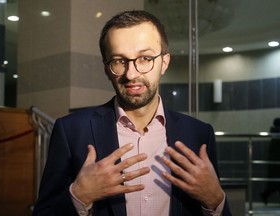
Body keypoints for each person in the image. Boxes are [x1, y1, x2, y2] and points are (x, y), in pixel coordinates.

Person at [32, 10, 231, 216]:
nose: (131, 74)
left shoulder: (198, 134)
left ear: (164, 62)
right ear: (107, 69)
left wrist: (215, 200)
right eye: (119, 61)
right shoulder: (71, 131)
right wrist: (79, 196)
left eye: (145, 58)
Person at [261, 118, 280, 205]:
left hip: (274, 161)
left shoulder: (274, 133)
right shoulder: (277, 134)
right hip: (276, 162)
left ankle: (265, 195)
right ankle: (264, 195)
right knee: (274, 183)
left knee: (274, 183)